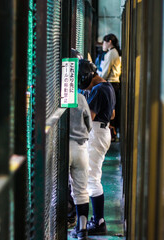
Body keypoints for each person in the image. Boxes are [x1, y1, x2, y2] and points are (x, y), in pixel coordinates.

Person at [77, 59, 116, 236]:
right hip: (102, 131)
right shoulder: (107, 86)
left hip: (97, 133)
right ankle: (96, 220)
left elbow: (90, 117)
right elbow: (113, 114)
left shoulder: (99, 89)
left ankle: (99, 222)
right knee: (92, 177)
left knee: (92, 178)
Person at [68, 50, 92, 240]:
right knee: (81, 189)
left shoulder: (55, 97)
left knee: (62, 186)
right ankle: (82, 229)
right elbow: (89, 125)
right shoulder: (81, 98)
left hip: (63, 147)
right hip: (81, 147)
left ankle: (65, 219)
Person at [97, 33, 121, 141]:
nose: (103, 45)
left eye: (104, 42)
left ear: (109, 42)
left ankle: (112, 133)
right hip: (115, 83)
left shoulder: (111, 53)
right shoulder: (114, 52)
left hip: (111, 82)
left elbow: (105, 72)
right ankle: (113, 132)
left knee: (110, 108)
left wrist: (97, 78)